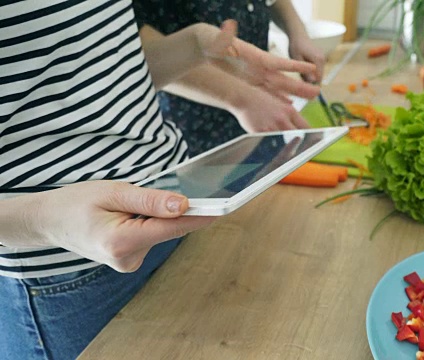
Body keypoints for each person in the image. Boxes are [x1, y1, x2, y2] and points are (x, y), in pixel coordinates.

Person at [0, 1, 317, 359]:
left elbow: (104, 69)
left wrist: (194, 45)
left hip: (173, 201)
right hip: (70, 270)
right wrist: (45, 221)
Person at [133, 0, 327, 156]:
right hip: (194, 134)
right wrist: (241, 98)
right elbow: (134, 47)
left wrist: (296, 31)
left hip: (262, 112)